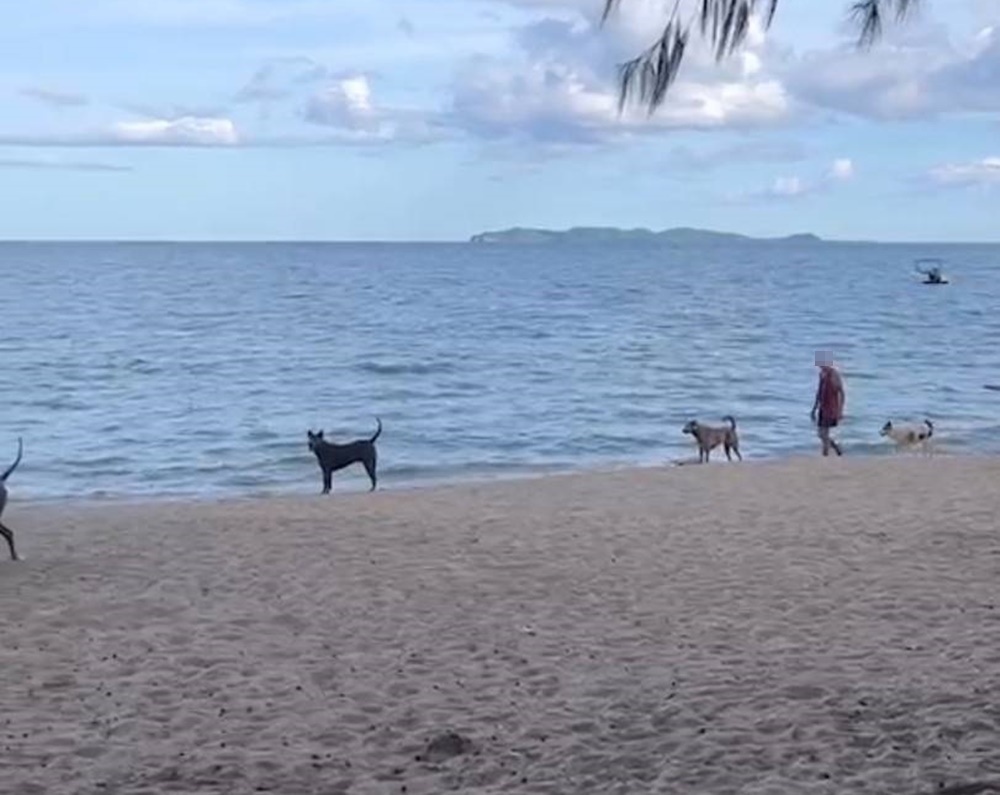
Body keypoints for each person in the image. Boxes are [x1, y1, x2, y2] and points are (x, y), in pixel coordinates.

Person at [810, 351, 844, 457]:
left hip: (831, 408)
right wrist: (814, 408)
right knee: (821, 434)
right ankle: (835, 448)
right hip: (822, 408)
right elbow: (819, 392)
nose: (820, 366)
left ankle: (826, 455)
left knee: (824, 434)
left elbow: (841, 393)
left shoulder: (834, 374)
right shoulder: (822, 374)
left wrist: (840, 410)